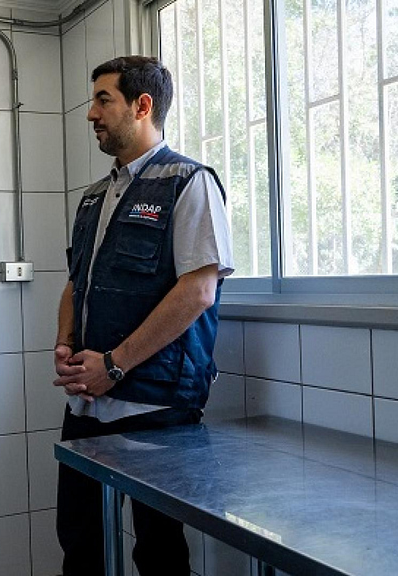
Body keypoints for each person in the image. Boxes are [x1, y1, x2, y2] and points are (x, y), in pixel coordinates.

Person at [53, 56, 234, 575]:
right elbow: (74, 283)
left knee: (157, 553)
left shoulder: (188, 182)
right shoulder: (92, 198)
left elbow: (198, 291)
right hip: (88, 407)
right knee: (81, 545)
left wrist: (113, 365)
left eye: (103, 100)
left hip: (155, 407)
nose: (91, 114)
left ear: (142, 106)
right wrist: (66, 345)